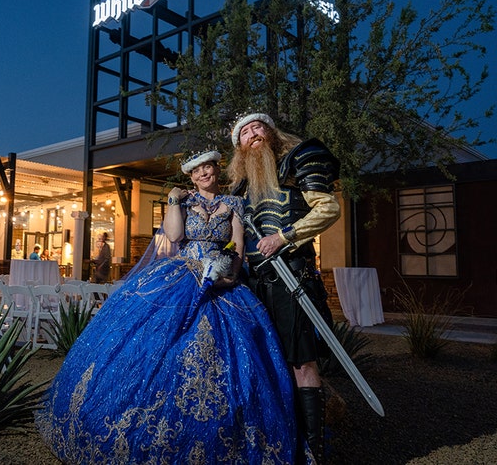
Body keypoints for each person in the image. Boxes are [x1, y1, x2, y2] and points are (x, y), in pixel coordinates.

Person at [36, 150, 308, 463]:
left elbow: (237, 246)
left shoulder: (234, 203)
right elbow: (176, 236)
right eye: (197, 170)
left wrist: (228, 274)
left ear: (216, 170)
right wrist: (174, 201)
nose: (204, 173)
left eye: (208, 167)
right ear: (191, 177)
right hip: (182, 272)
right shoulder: (184, 200)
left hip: (220, 276)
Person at [228, 112, 341, 461]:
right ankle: (280, 440)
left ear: (271, 132)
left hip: (294, 278)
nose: (252, 134)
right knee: (264, 361)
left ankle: (313, 451)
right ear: (239, 147)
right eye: (244, 132)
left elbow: (329, 207)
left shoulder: (297, 162)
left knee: (302, 363)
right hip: (253, 285)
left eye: (257, 127)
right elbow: (234, 241)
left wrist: (285, 236)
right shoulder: (239, 190)